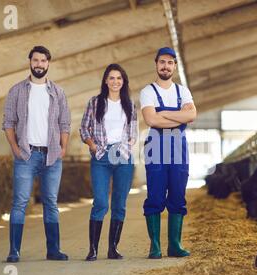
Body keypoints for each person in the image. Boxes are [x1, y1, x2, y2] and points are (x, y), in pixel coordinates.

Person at [2, 45, 71, 263]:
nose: (39, 64)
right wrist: (15, 149)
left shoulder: (58, 92)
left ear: (48, 63)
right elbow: (8, 123)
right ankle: (14, 251)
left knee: (51, 202)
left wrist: (63, 148)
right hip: (26, 154)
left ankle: (53, 250)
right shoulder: (17, 90)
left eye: (43, 60)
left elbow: (65, 123)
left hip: (52, 155)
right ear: (30, 62)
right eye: (35, 60)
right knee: (20, 202)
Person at [140, 47, 197, 259]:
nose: (166, 66)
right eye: (162, 62)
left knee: (177, 194)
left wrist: (163, 112)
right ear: (156, 64)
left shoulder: (183, 91)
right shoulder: (147, 91)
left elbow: (192, 115)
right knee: (155, 195)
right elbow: (151, 120)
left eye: (170, 62)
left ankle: (174, 245)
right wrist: (178, 115)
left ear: (174, 66)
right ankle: (154, 246)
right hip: (156, 145)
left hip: (178, 147)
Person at [80, 64, 137, 261]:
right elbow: (84, 129)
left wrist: (128, 146)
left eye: (119, 78)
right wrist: (93, 145)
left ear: (124, 81)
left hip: (123, 156)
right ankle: (93, 249)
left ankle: (113, 248)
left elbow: (133, 132)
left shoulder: (129, 104)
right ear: (105, 81)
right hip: (101, 156)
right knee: (101, 203)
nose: (115, 82)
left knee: (119, 205)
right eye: (111, 78)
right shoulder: (95, 102)